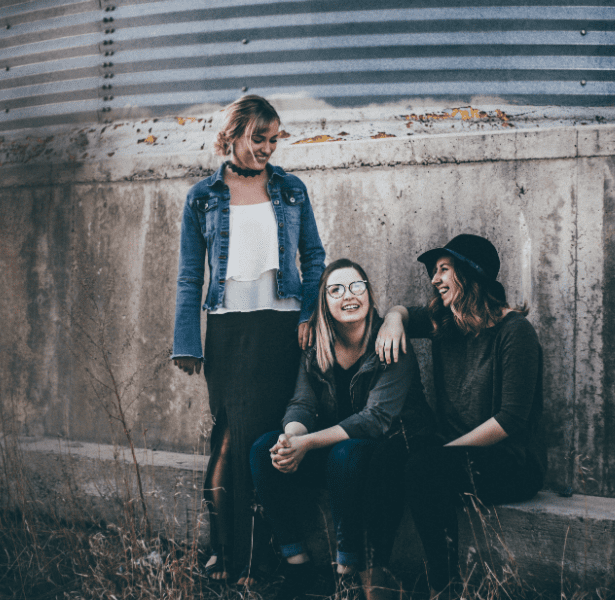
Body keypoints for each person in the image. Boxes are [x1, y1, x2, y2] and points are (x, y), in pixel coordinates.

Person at [171, 95, 326, 586]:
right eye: (258, 138)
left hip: (283, 330)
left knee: (268, 440)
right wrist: (187, 341)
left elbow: (315, 258)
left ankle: (266, 555)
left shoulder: (292, 189)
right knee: (230, 437)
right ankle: (223, 552)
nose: (267, 148)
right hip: (230, 333)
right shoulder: (202, 196)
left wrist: (307, 312)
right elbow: (190, 276)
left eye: (274, 139)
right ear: (233, 135)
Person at [375, 234, 547, 599]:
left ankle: (445, 588)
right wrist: (392, 319)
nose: (434, 279)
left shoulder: (515, 332)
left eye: (444, 270)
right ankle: (375, 577)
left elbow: (511, 419)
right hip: (453, 454)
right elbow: (403, 313)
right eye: (434, 272)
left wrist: (446, 451)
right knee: (387, 455)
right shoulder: (445, 322)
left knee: (424, 468)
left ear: (470, 275)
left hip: (511, 462)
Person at [249, 259, 433, 600]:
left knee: (345, 452)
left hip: (380, 452)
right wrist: (291, 439)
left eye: (356, 286)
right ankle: (297, 564)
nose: (348, 296)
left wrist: (308, 443)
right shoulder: (316, 347)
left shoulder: (390, 342)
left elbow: (374, 419)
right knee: (263, 449)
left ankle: (346, 571)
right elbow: (302, 403)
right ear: (325, 302)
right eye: (336, 290)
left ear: (368, 292)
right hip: (335, 453)